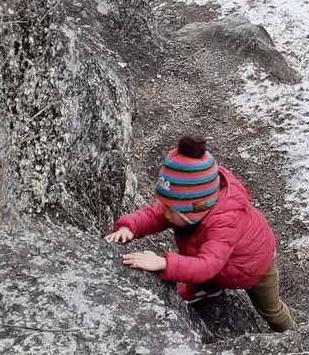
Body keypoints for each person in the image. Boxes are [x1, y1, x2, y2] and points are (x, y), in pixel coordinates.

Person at [105, 133, 294, 332]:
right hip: (222, 262)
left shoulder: (224, 222)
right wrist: (129, 226)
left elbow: (207, 265)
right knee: (205, 264)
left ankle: (292, 334)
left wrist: (164, 263)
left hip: (254, 266)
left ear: (197, 207)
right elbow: (154, 215)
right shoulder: (185, 208)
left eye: (171, 209)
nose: (165, 213)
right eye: (165, 205)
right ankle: (208, 287)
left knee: (271, 310)